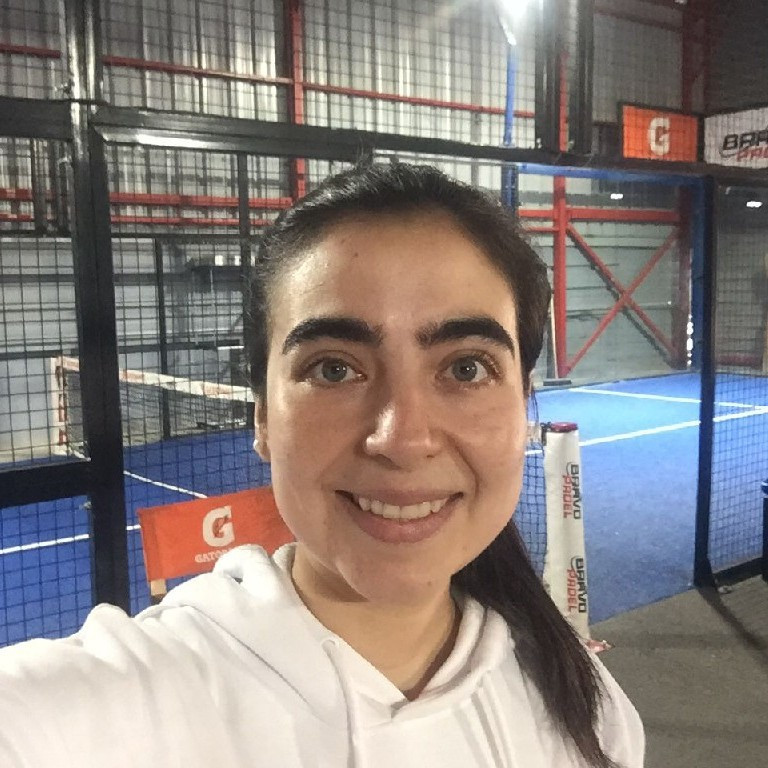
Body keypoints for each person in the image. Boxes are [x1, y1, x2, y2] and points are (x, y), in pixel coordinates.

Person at [0, 162, 643, 767]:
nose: (402, 438)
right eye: (334, 369)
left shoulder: (591, 714)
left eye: (467, 368)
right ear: (262, 417)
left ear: (524, 405)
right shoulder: (95, 712)